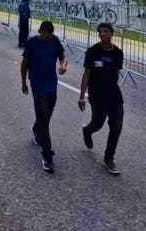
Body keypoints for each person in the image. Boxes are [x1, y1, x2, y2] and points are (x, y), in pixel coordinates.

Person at [20, 21, 68, 172]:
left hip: (51, 83)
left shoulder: (54, 41)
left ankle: (36, 129)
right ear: (39, 31)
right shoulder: (32, 43)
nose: (45, 37)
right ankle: (47, 155)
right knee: (43, 115)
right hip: (37, 83)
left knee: (46, 116)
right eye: (43, 34)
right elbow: (24, 63)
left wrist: (63, 65)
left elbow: (62, 57)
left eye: (48, 34)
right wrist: (23, 82)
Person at [79, 23, 124, 175]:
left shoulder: (117, 53)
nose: (103, 34)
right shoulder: (93, 51)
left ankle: (109, 157)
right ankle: (87, 130)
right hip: (97, 95)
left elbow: (116, 73)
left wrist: (111, 87)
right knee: (98, 123)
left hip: (114, 95)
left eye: (106, 32)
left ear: (112, 34)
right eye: (100, 32)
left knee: (116, 126)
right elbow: (86, 74)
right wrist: (82, 97)